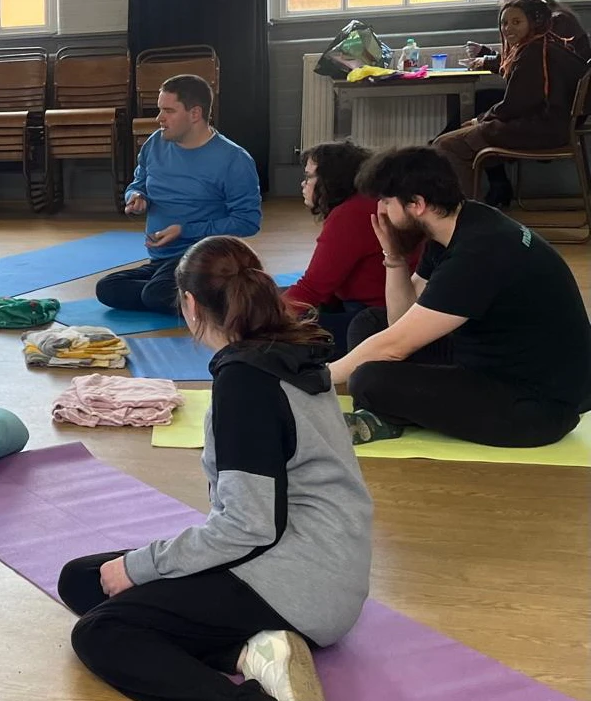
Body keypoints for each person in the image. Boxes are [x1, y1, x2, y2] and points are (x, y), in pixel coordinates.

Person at [60, 236, 373, 701]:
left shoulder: (247, 383)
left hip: (297, 581)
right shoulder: (286, 349)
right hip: (319, 563)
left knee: (101, 631)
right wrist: (139, 568)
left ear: (189, 303)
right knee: (84, 578)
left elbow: (248, 527)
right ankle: (254, 650)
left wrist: (143, 566)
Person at [332, 146, 591, 447]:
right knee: (369, 323)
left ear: (416, 203)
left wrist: (318, 377)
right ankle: (391, 411)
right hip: (489, 358)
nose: (380, 212)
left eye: (387, 202)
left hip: (537, 406)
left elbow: (395, 347)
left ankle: (387, 411)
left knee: (369, 379)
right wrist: (394, 256)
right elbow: (398, 321)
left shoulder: (479, 252)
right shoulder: (460, 225)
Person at [101, 74, 262, 315]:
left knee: (155, 295)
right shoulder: (155, 143)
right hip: (163, 261)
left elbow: (248, 222)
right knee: (107, 289)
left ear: (195, 114)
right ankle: (206, 296)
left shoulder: (234, 159)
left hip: (204, 260)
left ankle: (215, 290)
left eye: (168, 111)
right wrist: (135, 196)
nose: (159, 119)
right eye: (159, 110)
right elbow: (139, 182)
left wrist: (185, 230)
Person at [437, 0, 591, 199]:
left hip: (542, 128)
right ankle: (479, 204)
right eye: (504, 23)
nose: (508, 28)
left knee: (446, 145)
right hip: (552, 122)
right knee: (459, 134)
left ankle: (466, 216)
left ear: (533, 21)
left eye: (516, 22)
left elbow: (515, 105)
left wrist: (479, 120)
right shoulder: (539, 43)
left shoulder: (536, 48)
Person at [285, 141, 419, 360]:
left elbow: (312, 288)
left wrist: (260, 322)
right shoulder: (365, 202)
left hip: (376, 318)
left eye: (309, 177)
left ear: (329, 180)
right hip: (385, 309)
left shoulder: (350, 214)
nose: (303, 183)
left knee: (282, 336)